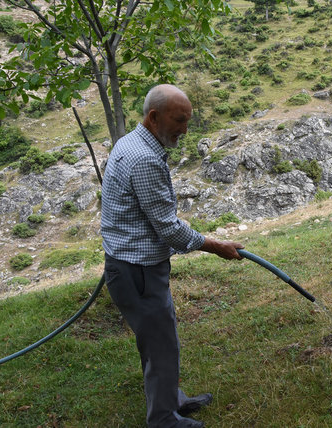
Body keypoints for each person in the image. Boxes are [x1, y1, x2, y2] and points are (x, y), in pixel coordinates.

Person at [100, 84, 244, 428]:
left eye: (188, 121)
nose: (185, 129)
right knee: (161, 343)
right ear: (154, 117)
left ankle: (170, 398)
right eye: (179, 120)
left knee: (158, 339)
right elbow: (168, 229)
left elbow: (152, 216)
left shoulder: (129, 141)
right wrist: (216, 246)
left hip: (132, 268)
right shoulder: (146, 158)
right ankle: (164, 419)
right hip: (137, 273)